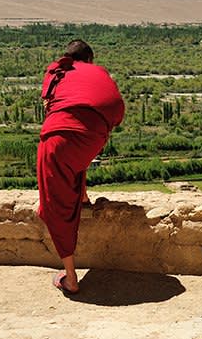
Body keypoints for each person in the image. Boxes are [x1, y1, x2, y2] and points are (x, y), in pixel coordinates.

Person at [37, 39, 125, 294]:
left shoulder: (59, 72)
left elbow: (49, 106)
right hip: (95, 137)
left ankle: (71, 278)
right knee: (76, 160)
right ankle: (82, 194)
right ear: (89, 59)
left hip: (58, 138)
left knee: (54, 205)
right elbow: (115, 111)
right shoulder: (97, 73)